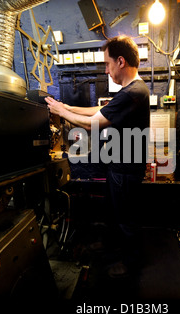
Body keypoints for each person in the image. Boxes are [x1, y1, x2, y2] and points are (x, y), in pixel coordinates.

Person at [45, 35, 150, 279]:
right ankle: (115, 249)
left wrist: (61, 111)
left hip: (126, 169)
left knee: (125, 219)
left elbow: (94, 123)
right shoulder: (130, 91)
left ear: (121, 61)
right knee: (116, 214)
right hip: (119, 168)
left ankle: (131, 263)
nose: (106, 70)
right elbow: (99, 110)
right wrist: (66, 107)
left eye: (108, 64)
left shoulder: (135, 92)